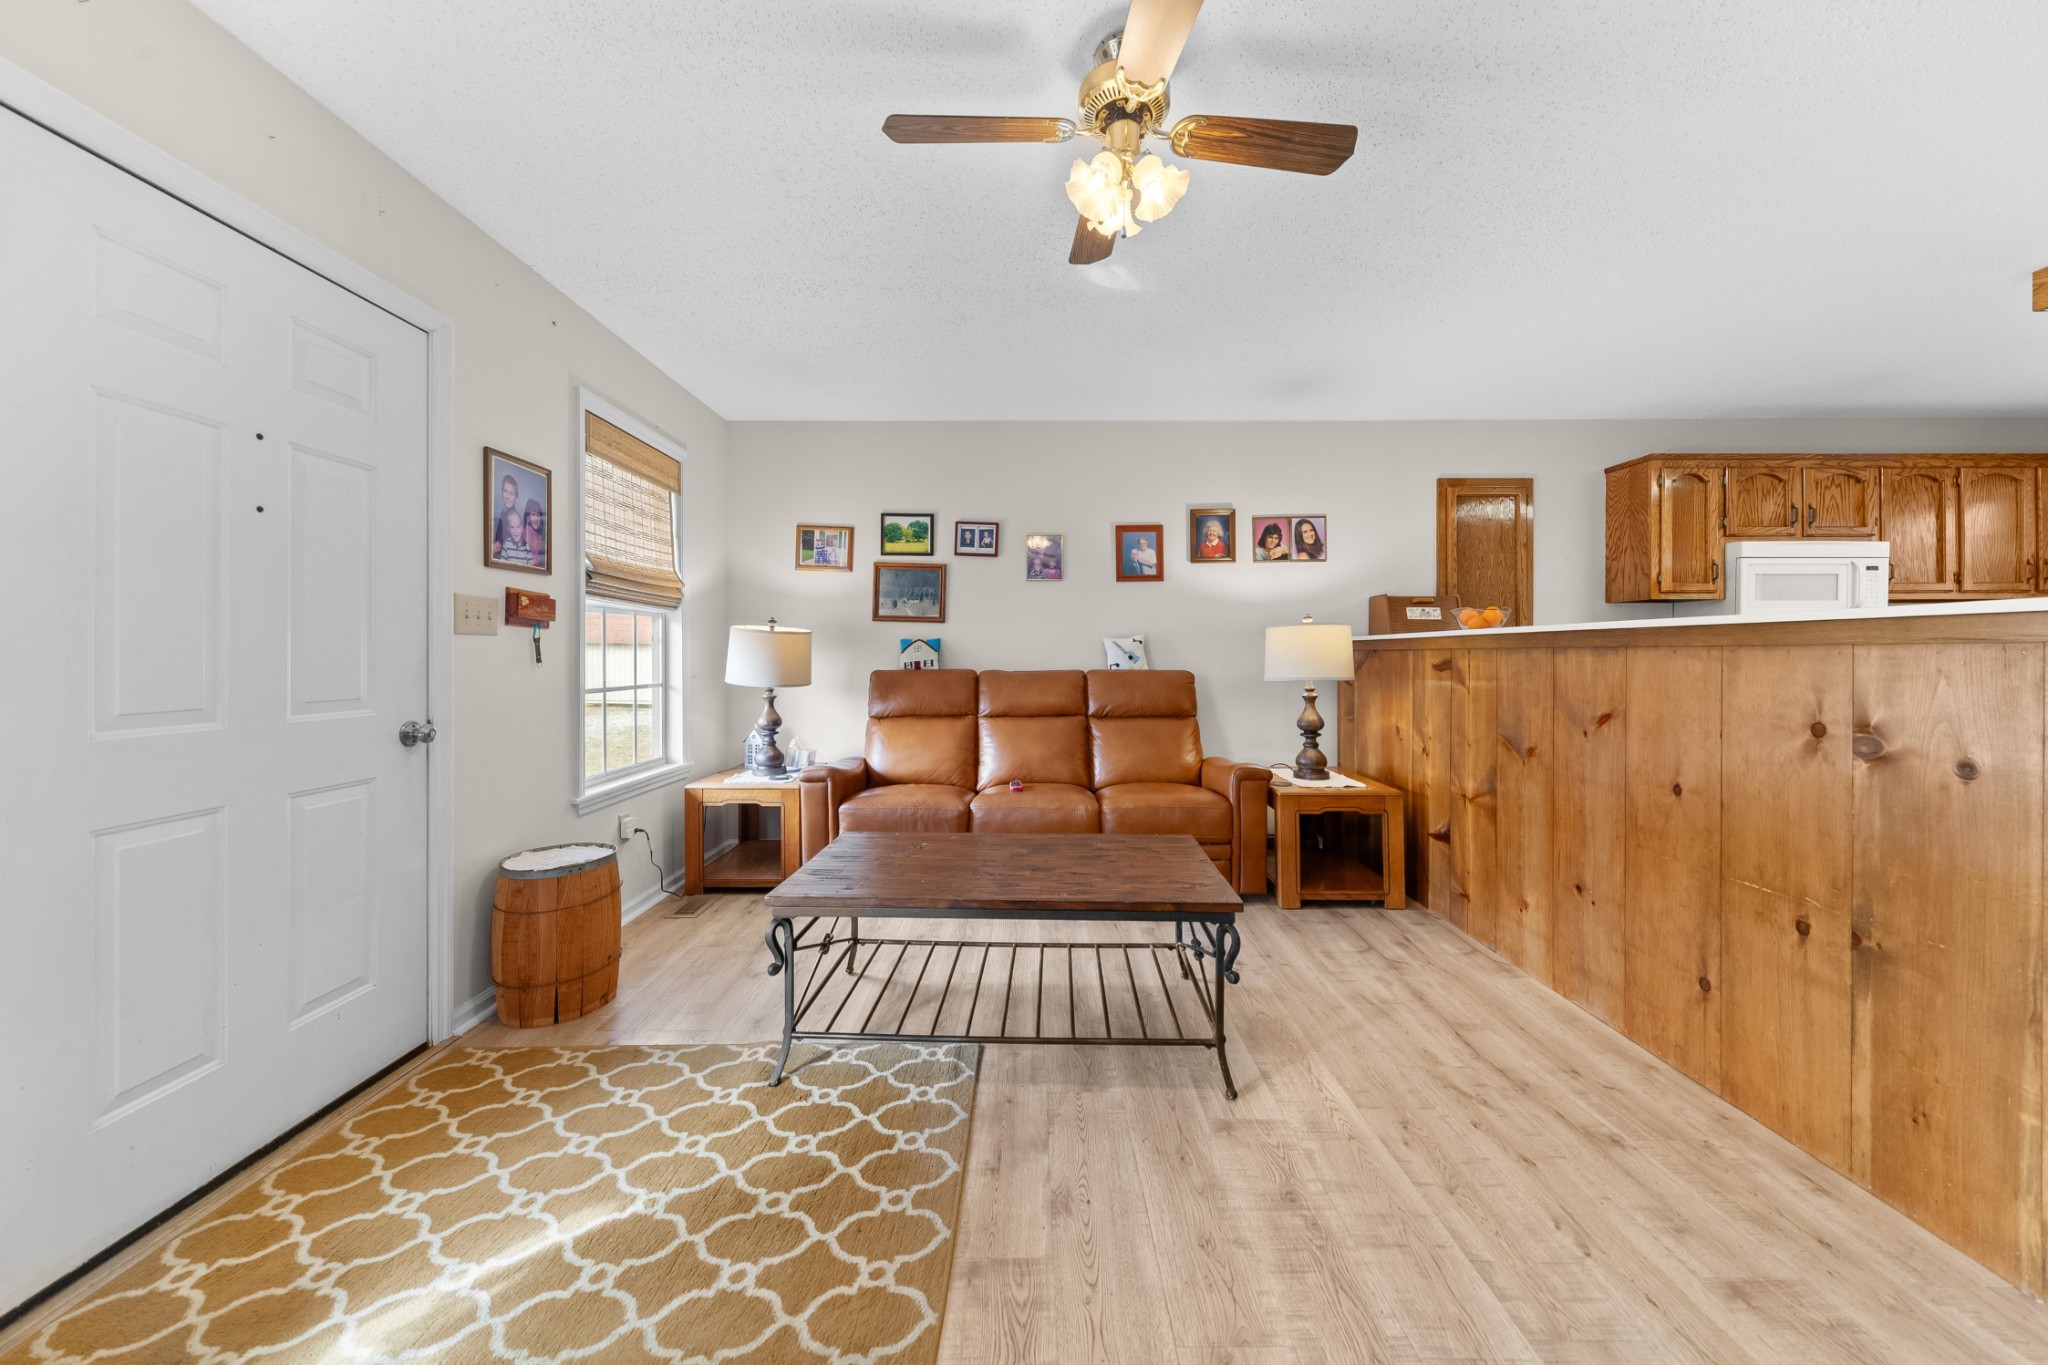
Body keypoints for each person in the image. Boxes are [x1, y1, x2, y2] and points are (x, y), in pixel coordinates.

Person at [492, 472, 520, 560]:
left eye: (511, 494)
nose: (507, 496)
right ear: (501, 492)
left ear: (516, 498)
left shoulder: (512, 517)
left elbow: (498, 546)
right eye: (505, 491)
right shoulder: (503, 513)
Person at [522, 500, 547, 571]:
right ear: (528, 516)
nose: (536, 519)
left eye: (538, 515)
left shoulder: (538, 532)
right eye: (533, 514)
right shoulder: (528, 530)